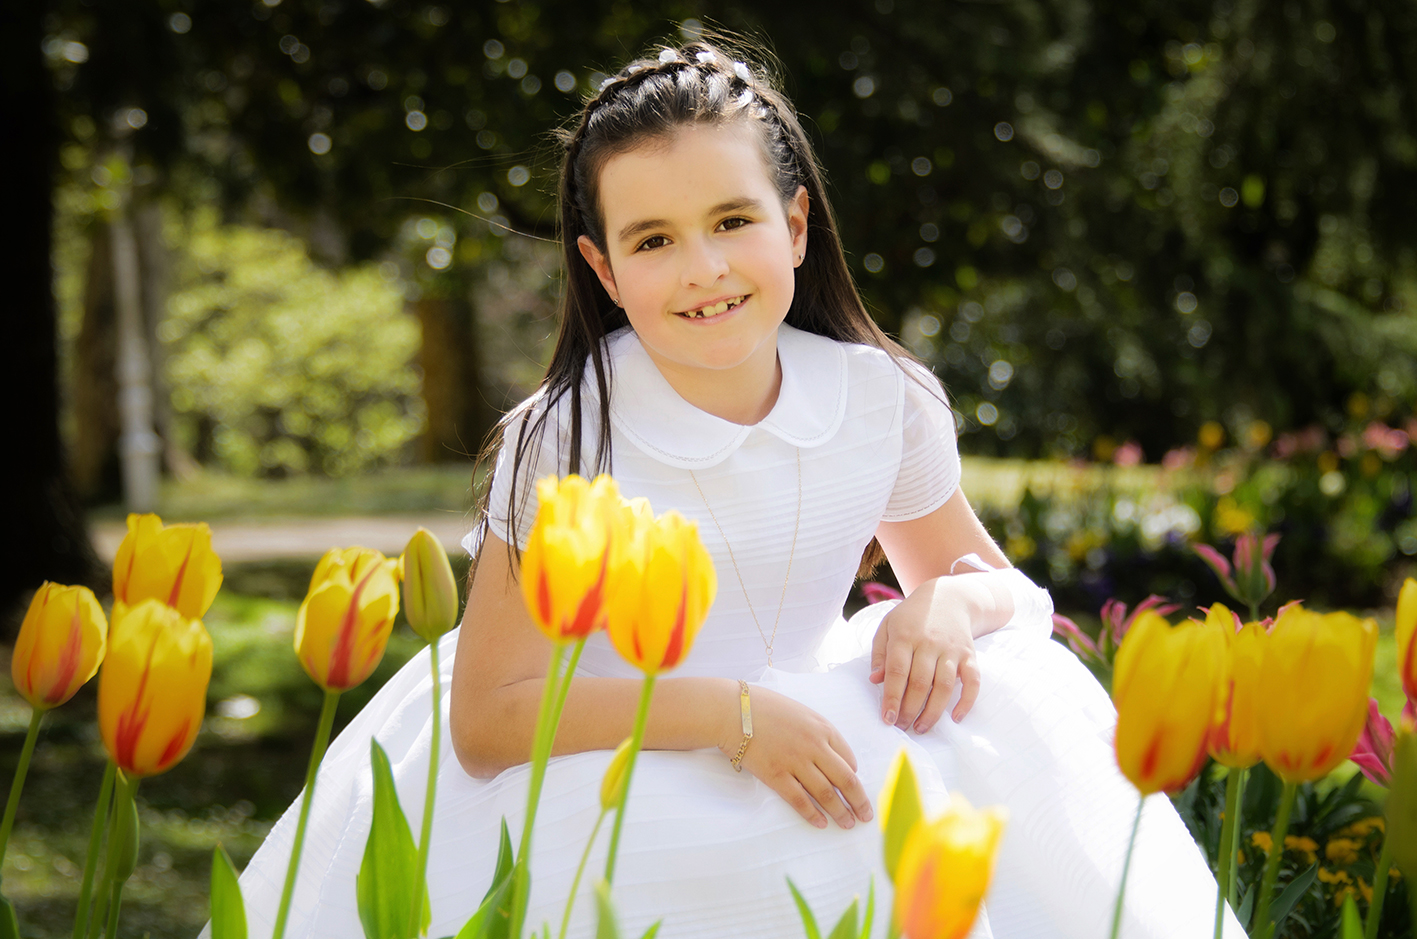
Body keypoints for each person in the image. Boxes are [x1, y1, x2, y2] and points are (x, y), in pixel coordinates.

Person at [227, 37, 1243, 939]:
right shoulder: (569, 433)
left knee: (1005, 705)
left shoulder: (879, 398)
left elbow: (997, 585)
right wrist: (729, 716)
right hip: (606, 753)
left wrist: (944, 604)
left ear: (795, 225)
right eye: (653, 240)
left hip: (823, 727)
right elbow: (491, 718)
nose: (703, 268)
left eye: (731, 219)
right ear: (603, 270)